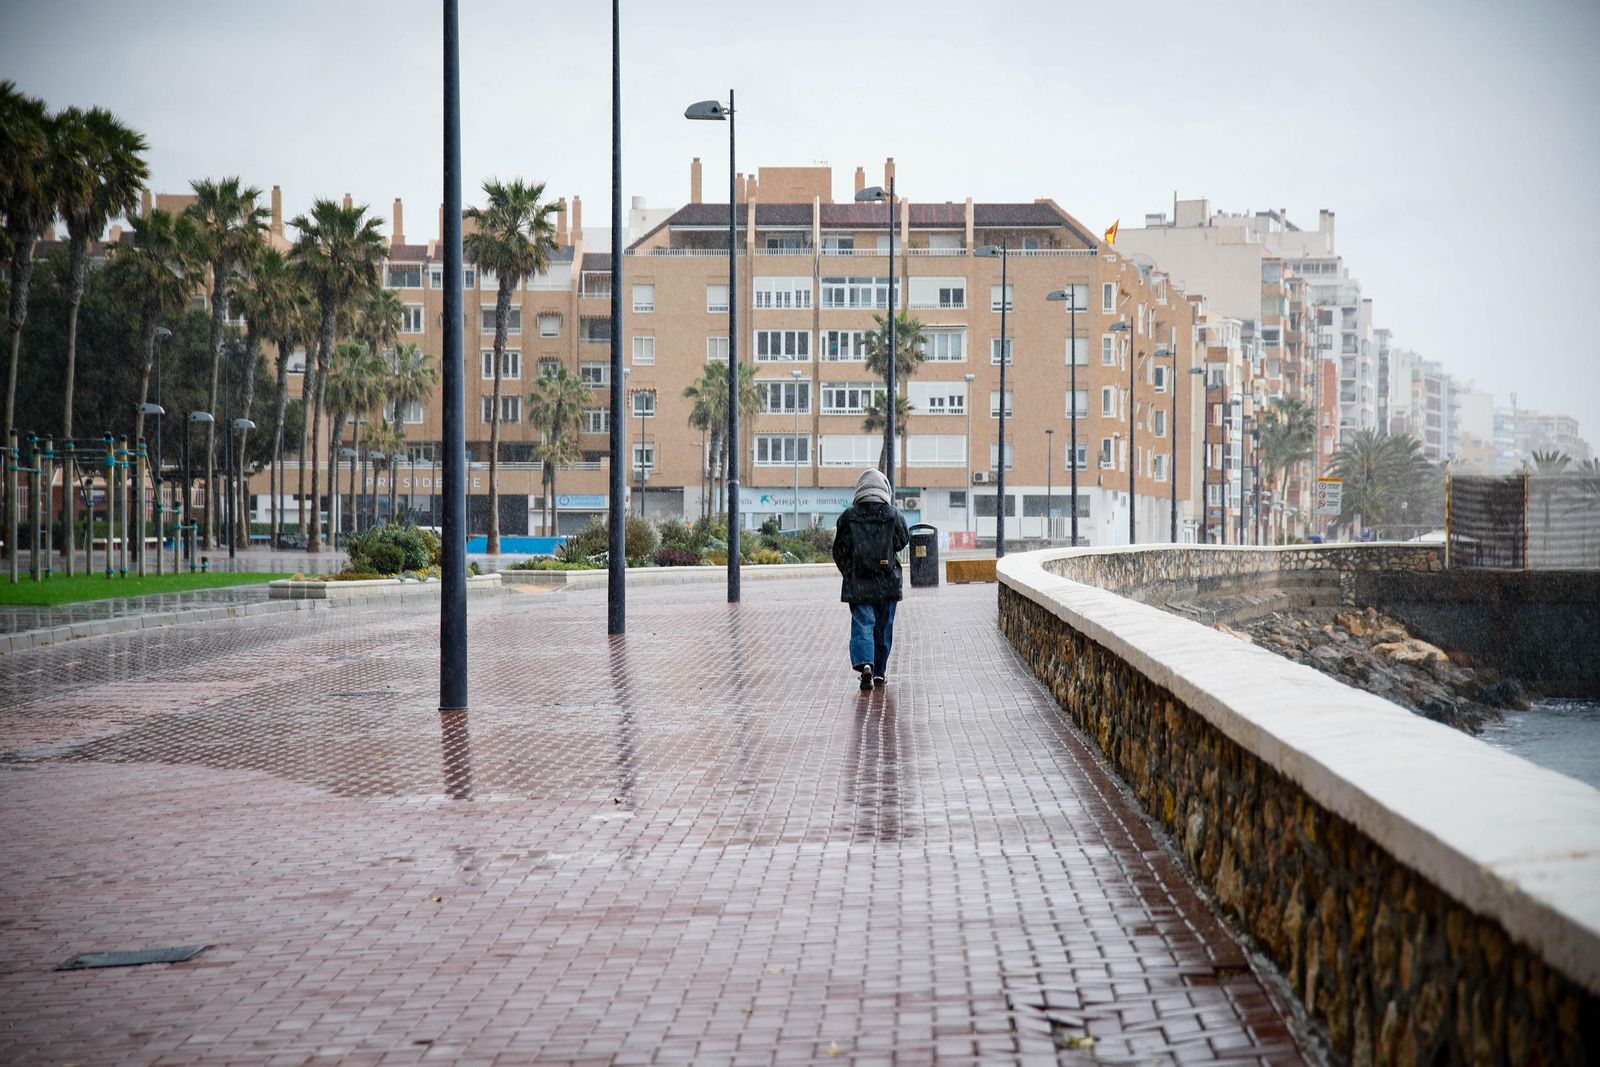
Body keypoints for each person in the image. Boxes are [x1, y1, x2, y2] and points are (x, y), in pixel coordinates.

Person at [832, 467, 911, 691]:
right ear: (884, 489)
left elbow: (839, 550)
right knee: (884, 628)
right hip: (887, 581)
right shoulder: (892, 514)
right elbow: (902, 540)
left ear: (860, 490)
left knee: (863, 624)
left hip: (859, 582)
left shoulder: (848, 517)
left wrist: (850, 570)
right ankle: (880, 672)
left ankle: (865, 662)